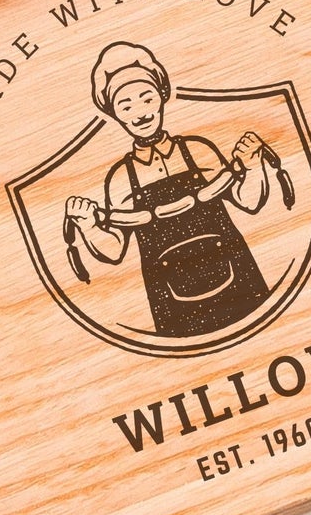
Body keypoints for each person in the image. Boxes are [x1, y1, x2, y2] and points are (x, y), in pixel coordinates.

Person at [65, 42, 274, 337]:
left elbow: (249, 202)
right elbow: (114, 252)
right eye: (126, 106)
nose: (140, 113)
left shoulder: (198, 150)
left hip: (237, 276)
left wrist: (252, 167)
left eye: (146, 99)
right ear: (115, 113)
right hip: (172, 296)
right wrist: (89, 226)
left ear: (162, 96)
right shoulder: (121, 177)